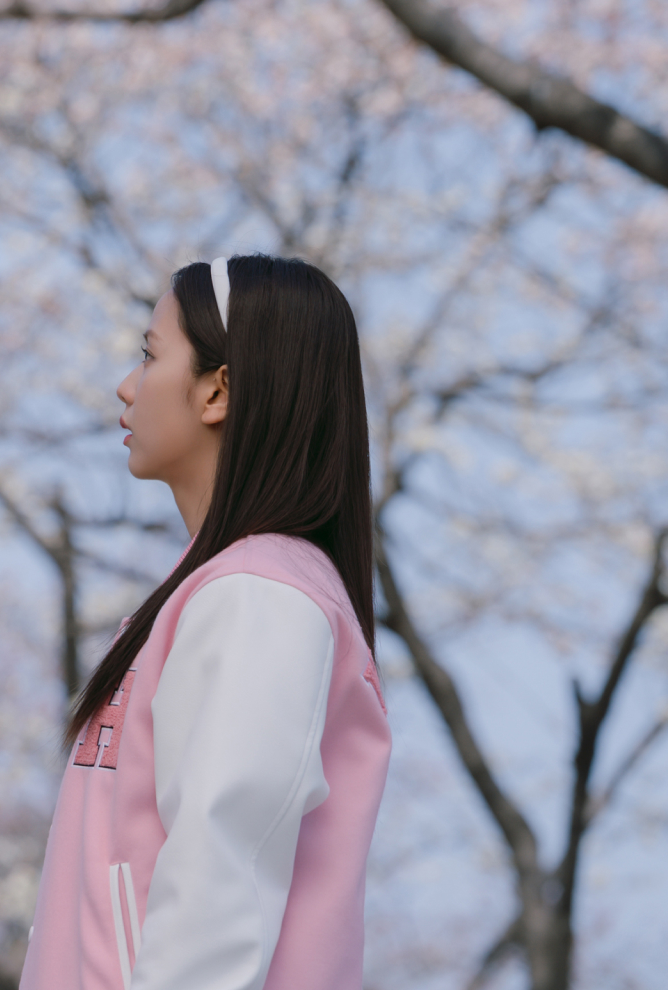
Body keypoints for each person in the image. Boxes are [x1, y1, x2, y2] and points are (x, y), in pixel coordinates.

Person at [20, 255, 391, 990]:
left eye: (151, 356)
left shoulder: (261, 597)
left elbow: (219, 892)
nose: (127, 386)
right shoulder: (219, 590)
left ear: (218, 389)